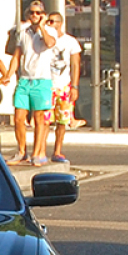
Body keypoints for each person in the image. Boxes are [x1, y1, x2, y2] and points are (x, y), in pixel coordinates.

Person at [1, 0, 57, 166]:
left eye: (38, 13)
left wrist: (41, 27)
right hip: (26, 80)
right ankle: (21, 150)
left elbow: (49, 43)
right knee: (19, 116)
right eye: (32, 12)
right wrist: (9, 74)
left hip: (42, 80)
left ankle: (38, 152)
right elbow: (17, 56)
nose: (34, 15)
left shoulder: (49, 31)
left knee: (39, 118)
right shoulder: (23, 33)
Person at [44, 12, 82, 162]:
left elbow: (75, 64)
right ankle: (41, 150)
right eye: (48, 21)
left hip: (63, 85)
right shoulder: (44, 40)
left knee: (62, 121)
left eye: (52, 21)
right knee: (45, 120)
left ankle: (57, 151)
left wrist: (74, 86)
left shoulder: (70, 42)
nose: (49, 24)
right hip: (48, 85)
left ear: (60, 23)